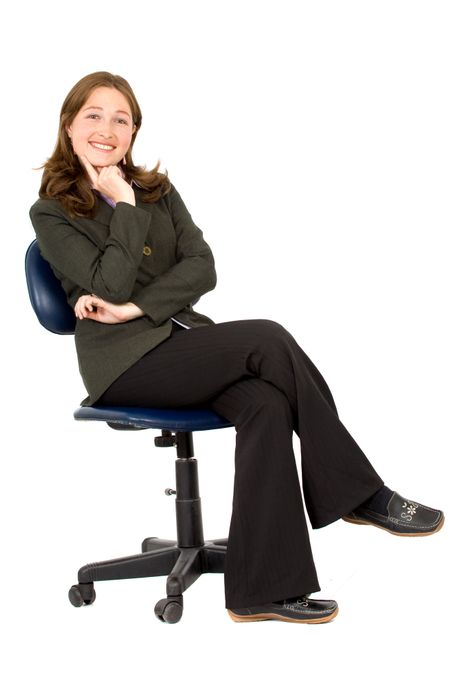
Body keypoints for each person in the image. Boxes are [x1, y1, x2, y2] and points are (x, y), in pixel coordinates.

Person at [30, 71, 444, 625]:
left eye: (121, 119)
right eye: (94, 116)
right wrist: (122, 206)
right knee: (267, 337)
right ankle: (358, 493)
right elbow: (107, 283)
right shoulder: (53, 211)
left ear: (134, 131)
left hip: (183, 343)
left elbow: (203, 267)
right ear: (69, 124)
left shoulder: (159, 191)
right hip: (123, 365)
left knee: (266, 402)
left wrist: (135, 306)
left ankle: (263, 589)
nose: (108, 129)